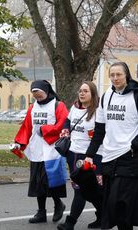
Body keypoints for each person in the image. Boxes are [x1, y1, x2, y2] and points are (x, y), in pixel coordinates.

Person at [84, 62, 138, 229]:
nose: (115, 78)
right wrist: (90, 154)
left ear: (127, 75)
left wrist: (134, 146)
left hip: (131, 156)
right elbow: (100, 130)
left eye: (119, 74)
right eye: (112, 75)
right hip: (109, 156)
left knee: (122, 203)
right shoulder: (107, 96)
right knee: (111, 204)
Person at [13, 80, 69, 224]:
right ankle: (41, 212)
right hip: (36, 148)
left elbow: (62, 124)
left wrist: (44, 130)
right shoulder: (33, 108)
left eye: (40, 95)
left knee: (51, 181)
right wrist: (19, 143)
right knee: (38, 182)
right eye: (35, 96)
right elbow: (27, 127)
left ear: (47, 91)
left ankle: (58, 205)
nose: (38, 99)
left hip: (52, 148)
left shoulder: (58, 105)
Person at [57, 81, 103, 230]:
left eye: (86, 91)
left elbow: (100, 135)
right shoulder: (75, 107)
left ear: (93, 94)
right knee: (85, 190)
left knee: (85, 190)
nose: (82, 93)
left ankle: (70, 222)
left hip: (91, 156)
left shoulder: (98, 111)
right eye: (80, 91)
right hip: (73, 154)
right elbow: (68, 122)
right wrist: (65, 131)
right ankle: (103, 215)